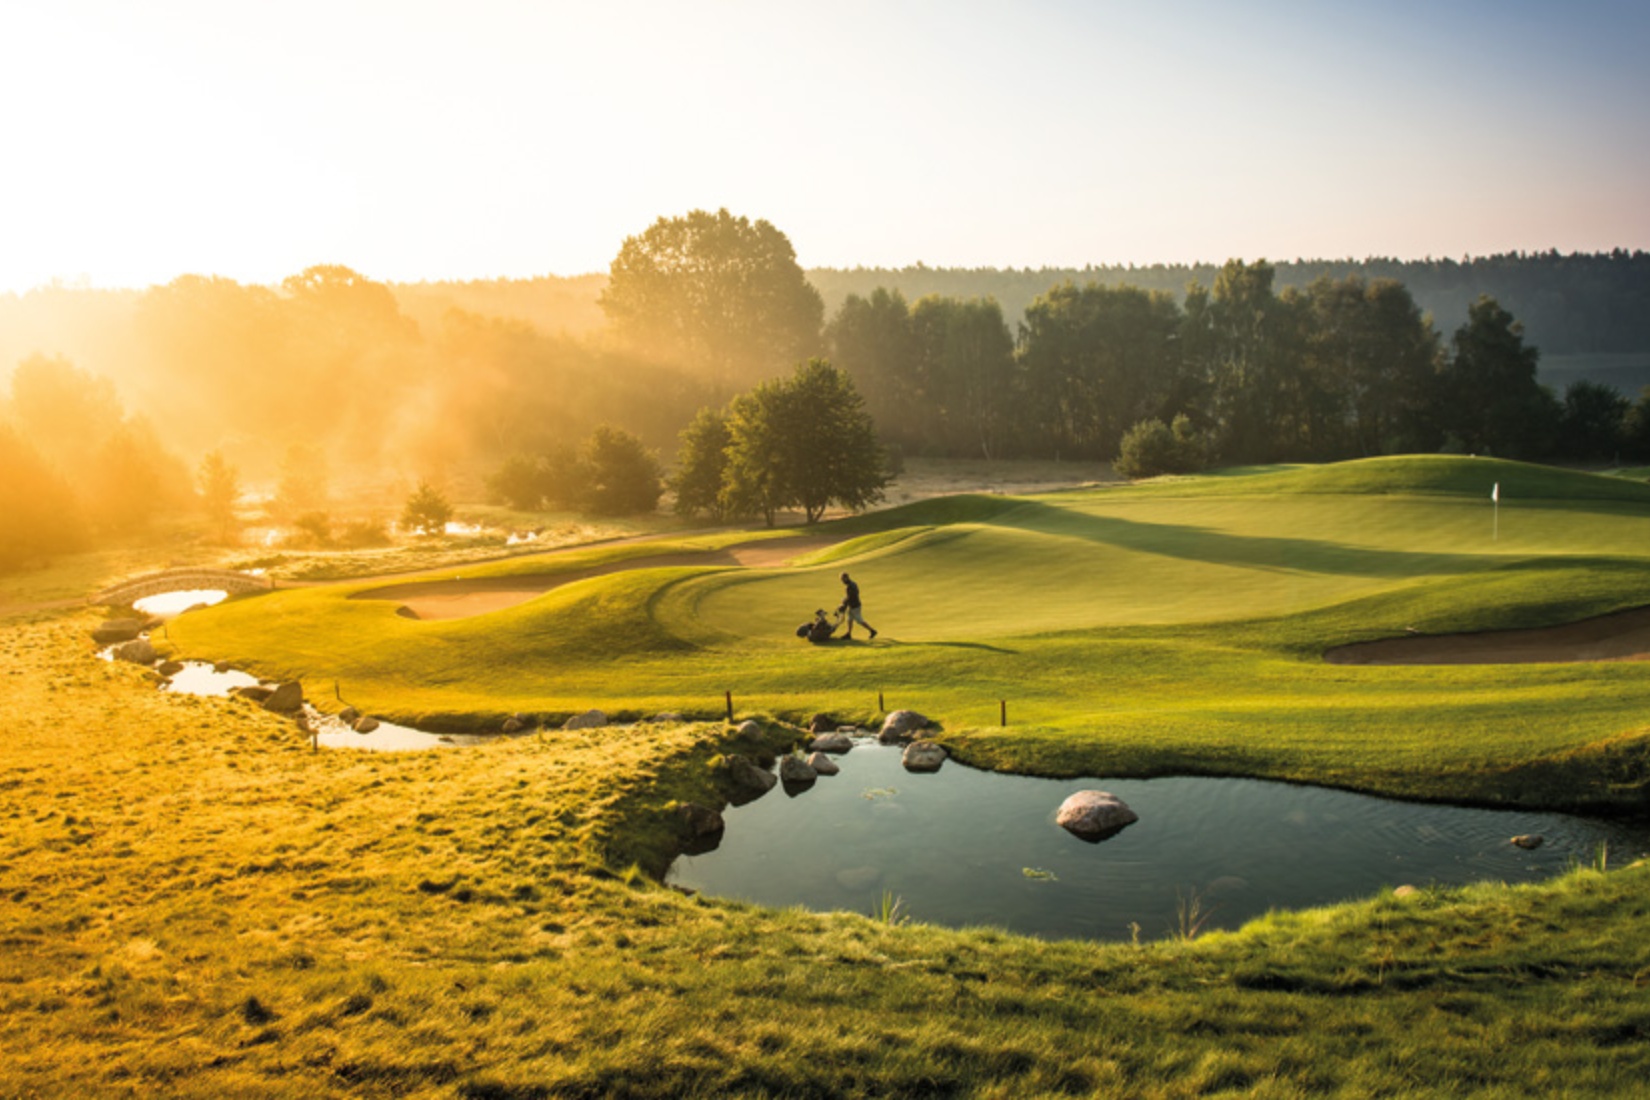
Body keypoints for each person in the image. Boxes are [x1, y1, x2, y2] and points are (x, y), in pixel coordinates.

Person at [838, 571, 877, 640]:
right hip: (854, 605)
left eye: (843, 579)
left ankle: (872, 631)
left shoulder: (850, 586)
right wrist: (844, 601)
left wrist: (844, 605)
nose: (842, 581)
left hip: (854, 606)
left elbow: (850, 597)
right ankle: (848, 634)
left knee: (859, 620)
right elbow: (850, 596)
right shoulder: (853, 584)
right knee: (849, 619)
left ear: (846, 578)